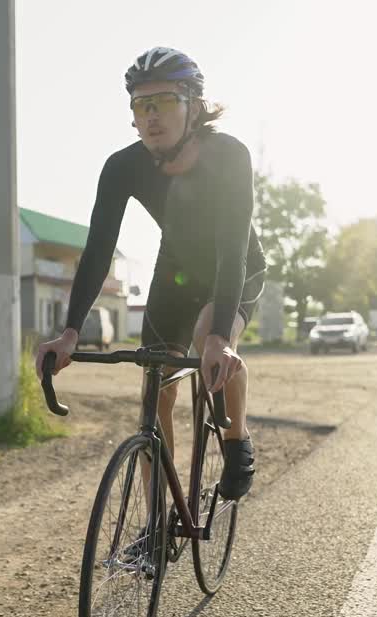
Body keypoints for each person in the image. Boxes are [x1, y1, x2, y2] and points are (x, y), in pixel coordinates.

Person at [33, 47, 267, 500]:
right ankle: (156, 521)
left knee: (208, 334)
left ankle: (237, 437)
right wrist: (69, 332)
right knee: (153, 388)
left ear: (195, 107)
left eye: (164, 101)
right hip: (176, 272)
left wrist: (220, 336)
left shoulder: (229, 156)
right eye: (142, 106)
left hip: (234, 265)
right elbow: (98, 251)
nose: (151, 116)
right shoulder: (123, 166)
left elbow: (233, 248)